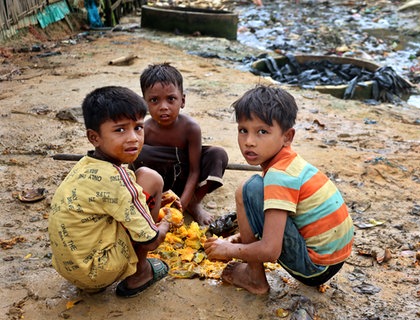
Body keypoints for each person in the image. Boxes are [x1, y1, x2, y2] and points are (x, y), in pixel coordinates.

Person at [204, 85, 354, 294]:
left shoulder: (278, 176)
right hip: (334, 260)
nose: (249, 142)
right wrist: (243, 239)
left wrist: (228, 250)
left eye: (262, 132)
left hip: (315, 267)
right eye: (243, 130)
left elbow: (270, 251)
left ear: (287, 136)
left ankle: (254, 278)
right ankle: (251, 265)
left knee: (248, 189)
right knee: (255, 189)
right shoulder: (291, 163)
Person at [48, 86, 173, 298]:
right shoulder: (117, 180)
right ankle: (140, 273)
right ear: (94, 137)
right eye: (120, 130)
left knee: (135, 185)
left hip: (68, 267)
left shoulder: (84, 166)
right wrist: (165, 225)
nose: (133, 138)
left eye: (138, 127)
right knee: (151, 178)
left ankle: (97, 279)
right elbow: (150, 240)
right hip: (99, 271)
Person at [132, 63, 229, 226]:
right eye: (154, 100)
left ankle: (194, 202)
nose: (164, 107)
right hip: (160, 183)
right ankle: (156, 202)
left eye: (171, 99)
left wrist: (181, 206)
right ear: (145, 104)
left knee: (218, 154)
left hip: (187, 180)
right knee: (138, 153)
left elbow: (194, 170)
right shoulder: (145, 130)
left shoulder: (190, 128)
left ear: (182, 100)